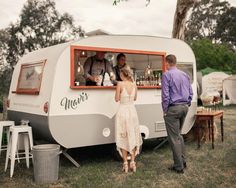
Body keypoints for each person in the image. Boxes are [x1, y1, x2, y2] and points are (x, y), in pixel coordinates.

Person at [161, 54, 193, 174]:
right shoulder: (184, 74)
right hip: (184, 107)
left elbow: (165, 95)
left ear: (167, 63)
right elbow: (190, 92)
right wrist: (188, 103)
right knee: (178, 136)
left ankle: (178, 166)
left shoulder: (166, 75)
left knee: (174, 138)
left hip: (173, 109)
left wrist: (165, 110)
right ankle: (183, 161)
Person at [115, 65, 143, 173]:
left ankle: (125, 164)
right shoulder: (134, 85)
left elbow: (117, 99)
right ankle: (133, 162)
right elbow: (135, 98)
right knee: (132, 136)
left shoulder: (120, 84)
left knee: (123, 136)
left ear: (122, 74)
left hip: (123, 112)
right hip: (132, 112)